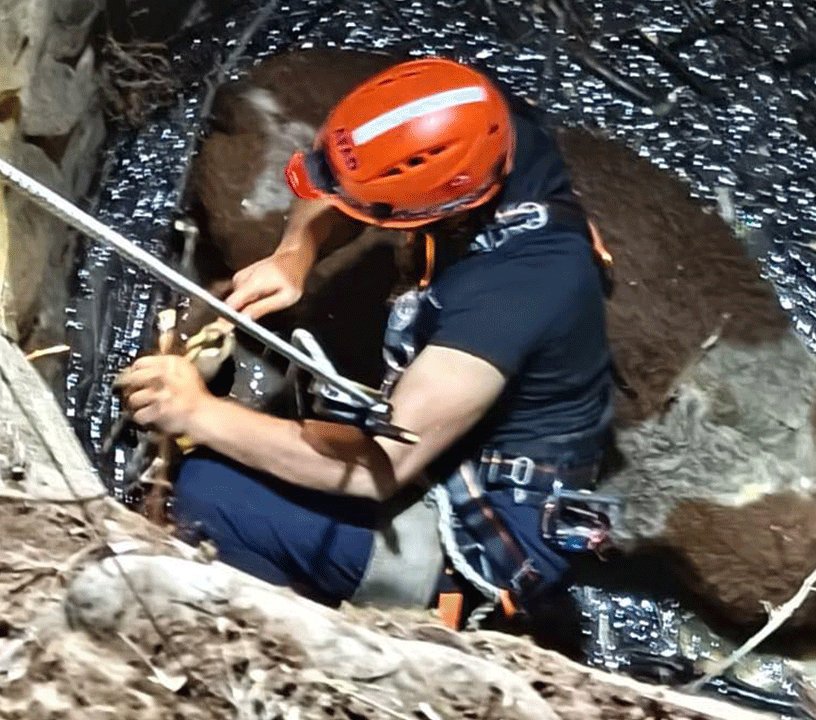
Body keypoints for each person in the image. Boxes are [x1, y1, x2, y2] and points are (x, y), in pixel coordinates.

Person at [116, 56, 616, 624]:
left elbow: (381, 465)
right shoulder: (481, 121)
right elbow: (342, 186)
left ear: (446, 202)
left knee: (211, 493)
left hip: (489, 525)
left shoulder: (511, 294)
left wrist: (197, 413)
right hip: (452, 428)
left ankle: (301, 637)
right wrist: (295, 254)